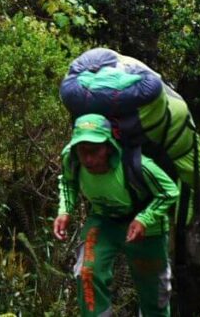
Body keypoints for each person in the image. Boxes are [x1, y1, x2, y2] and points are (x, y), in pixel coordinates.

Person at [53, 113, 179, 317]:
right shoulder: (71, 158)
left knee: (154, 294)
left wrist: (144, 219)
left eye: (94, 151)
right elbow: (67, 181)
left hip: (147, 228)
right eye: (82, 151)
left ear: (109, 146)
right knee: (87, 273)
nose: (88, 159)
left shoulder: (137, 165)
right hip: (104, 221)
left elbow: (169, 192)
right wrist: (65, 210)